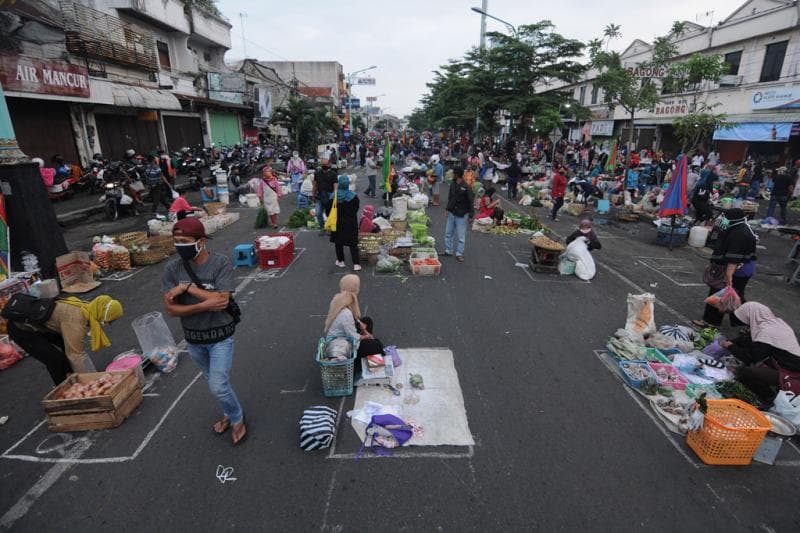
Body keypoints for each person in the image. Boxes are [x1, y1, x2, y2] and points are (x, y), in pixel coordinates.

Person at [162, 217, 246, 445]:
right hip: (194, 339)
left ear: (201, 242)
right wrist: (202, 305)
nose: (180, 245)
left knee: (217, 385)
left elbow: (222, 299)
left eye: (185, 241)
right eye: (176, 241)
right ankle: (229, 412)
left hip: (220, 336)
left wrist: (187, 288)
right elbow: (170, 309)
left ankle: (237, 418)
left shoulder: (220, 263)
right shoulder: (172, 268)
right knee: (216, 383)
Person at [8, 295, 123, 385]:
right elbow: (76, 355)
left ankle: (73, 378)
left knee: (68, 347)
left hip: (42, 325)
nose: (108, 324)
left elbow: (76, 350)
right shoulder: (76, 321)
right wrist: (90, 381)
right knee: (55, 360)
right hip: (21, 330)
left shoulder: (89, 308)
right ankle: (63, 389)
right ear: (104, 314)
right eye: (109, 321)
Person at [721, 302, 800, 403]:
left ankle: (768, 397)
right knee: (751, 364)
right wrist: (733, 342)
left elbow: (750, 357)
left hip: (792, 372)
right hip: (785, 363)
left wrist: (731, 346)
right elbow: (748, 339)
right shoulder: (775, 323)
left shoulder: (766, 331)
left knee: (744, 372)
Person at [693, 208, 757, 329]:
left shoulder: (739, 233)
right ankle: (743, 322)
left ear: (732, 218)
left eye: (725, 217)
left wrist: (729, 276)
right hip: (741, 268)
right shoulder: (738, 227)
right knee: (735, 296)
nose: (723, 219)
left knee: (719, 293)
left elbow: (734, 258)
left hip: (737, 270)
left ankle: (711, 322)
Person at [324, 274, 383, 359]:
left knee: (367, 320)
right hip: (342, 344)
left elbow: (350, 322)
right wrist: (365, 336)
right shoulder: (346, 313)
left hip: (341, 334)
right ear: (354, 289)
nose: (358, 289)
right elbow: (351, 335)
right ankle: (357, 359)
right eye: (357, 287)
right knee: (377, 345)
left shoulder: (339, 299)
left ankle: (367, 346)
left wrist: (359, 324)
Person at [330, 175, 361, 271]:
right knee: (353, 243)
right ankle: (356, 264)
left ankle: (341, 261)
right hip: (350, 223)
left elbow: (328, 210)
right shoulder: (353, 196)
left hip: (337, 222)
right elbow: (356, 209)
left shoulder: (333, 196)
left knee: (338, 242)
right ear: (348, 184)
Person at [444, 167, 474, 262]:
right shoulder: (453, 184)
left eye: (454, 174)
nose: (452, 175)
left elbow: (470, 201)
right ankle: (448, 250)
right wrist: (447, 209)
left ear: (457, 175)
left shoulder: (466, 186)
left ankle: (459, 254)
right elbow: (450, 197)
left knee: (461, 237)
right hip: (452, 212)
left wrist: (471, 215)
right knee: (448, 233)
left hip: (462, 215)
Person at [313, 159, 338, 235]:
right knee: (318, 213)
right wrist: (313, 195)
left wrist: (335, 195)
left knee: (329, 214)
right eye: (323, 165)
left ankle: (329, 228)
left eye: (326, 165)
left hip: (330, 196)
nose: (324, 166)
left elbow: (335, 186)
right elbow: (315, 185)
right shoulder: (317, 173)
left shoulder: (333, 174)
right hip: (319, 196)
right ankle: (322, 227)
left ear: (329, 164)